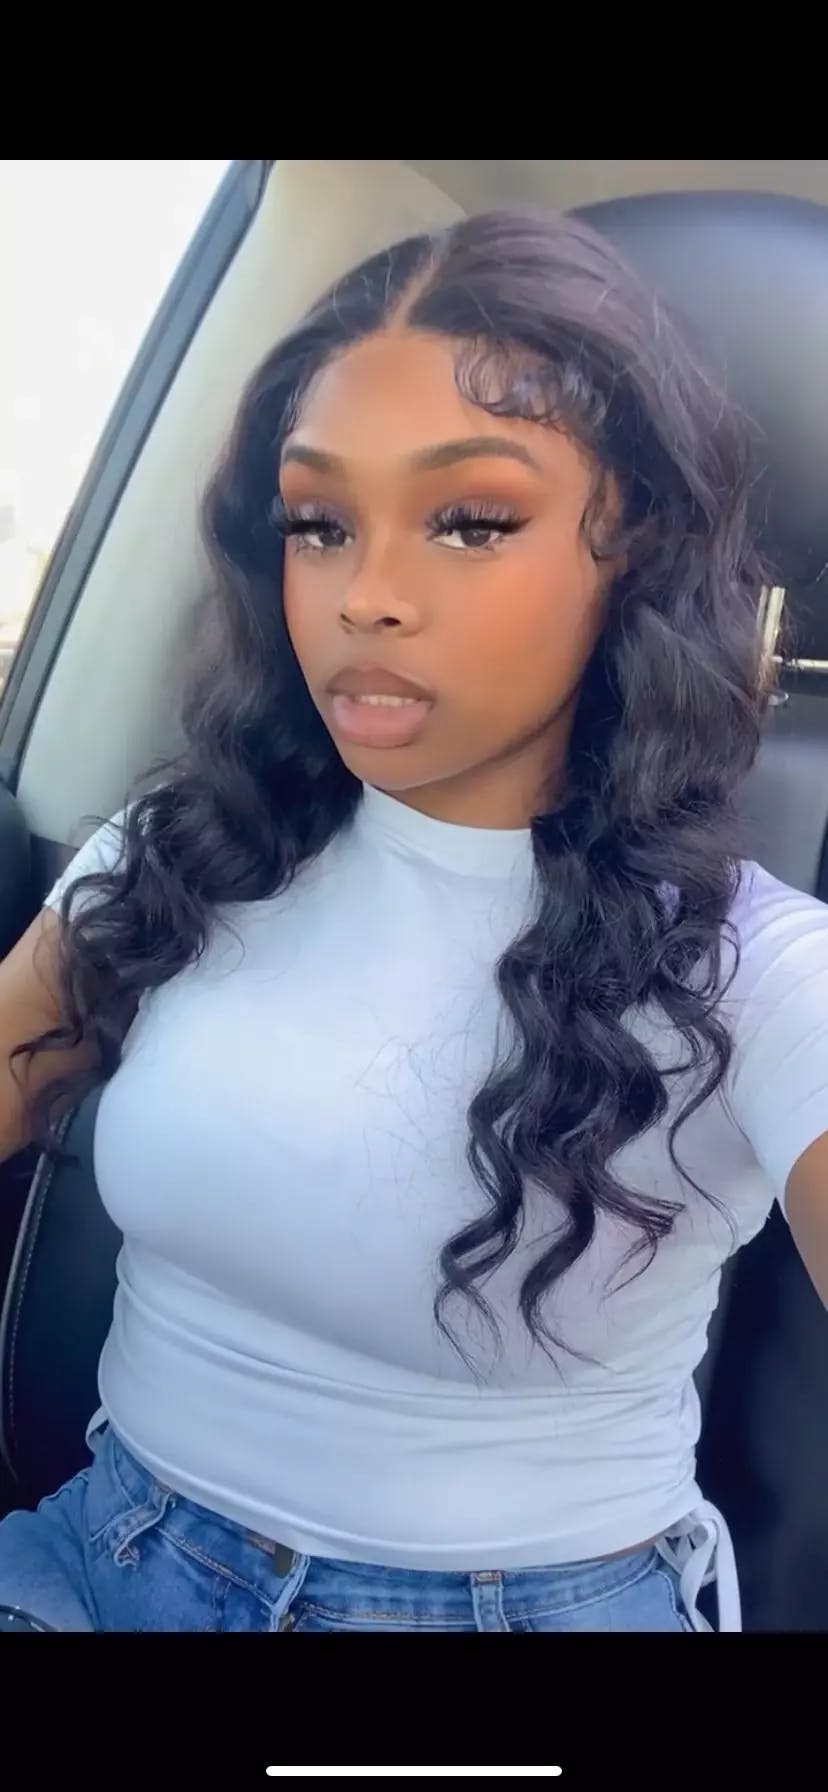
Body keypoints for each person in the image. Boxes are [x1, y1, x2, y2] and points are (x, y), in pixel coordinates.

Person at [0, 207, 826, 1634]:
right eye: (318, 524)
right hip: (103, 1552)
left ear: (631, 540)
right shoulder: (182, 850)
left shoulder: (757, 971)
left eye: (471, 521)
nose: (366, 598)